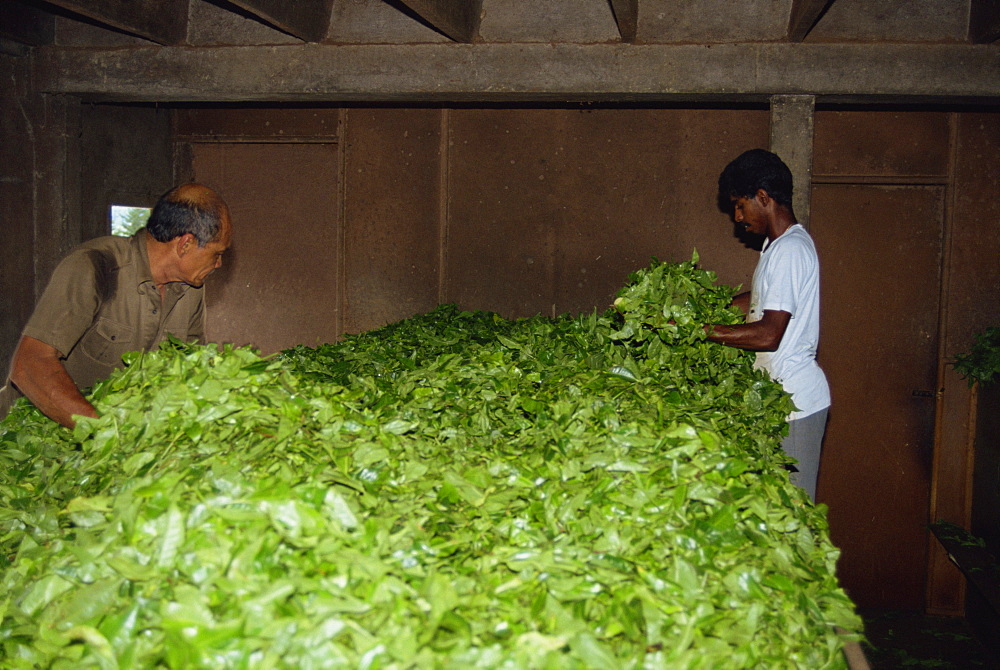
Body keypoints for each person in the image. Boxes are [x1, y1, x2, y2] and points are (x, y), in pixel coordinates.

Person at [0, 183, 232, 428]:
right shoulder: (95, 266)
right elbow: (29, 365)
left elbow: (192, 373)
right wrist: (103, 433)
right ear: (185, 244)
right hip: (29, 435)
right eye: (216, 253)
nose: (218, 264)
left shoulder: (191, 290)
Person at [704, 149, 829, 501]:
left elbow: (769, 333)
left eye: (740, 205)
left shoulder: (791, 249)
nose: (737, 216)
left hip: (795, 403)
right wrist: (707, 309)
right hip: (776, 399)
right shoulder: (774, 248)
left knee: (793, 511)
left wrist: (697, 330)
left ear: (763, 197)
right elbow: (760, 299)